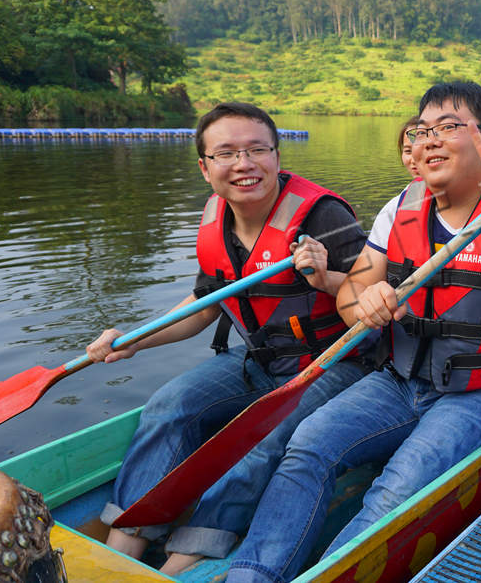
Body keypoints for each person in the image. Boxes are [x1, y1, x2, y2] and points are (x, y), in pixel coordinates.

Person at [224, 82, 481, 583]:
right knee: (308, 444)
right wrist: (363, 300)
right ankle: (251, 575)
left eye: (448, 127)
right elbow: (350, 297)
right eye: (422, 129)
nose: (428, 140)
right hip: (401, 380)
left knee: (398, 486)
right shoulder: (401, 208)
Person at [85, 102, 372, 575]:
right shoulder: (215, 217)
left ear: (278, 157)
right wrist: (136, 339)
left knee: (264, 431)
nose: (244, 164)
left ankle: (187, 557)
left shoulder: (322, 216)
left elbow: (378, 297)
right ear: (205, 167)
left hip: (335, 363)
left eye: (257, 149)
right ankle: (127, 538)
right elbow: (204, 305)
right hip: (258, 359)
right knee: (169, 404)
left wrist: (325, 277)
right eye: (227, 153)